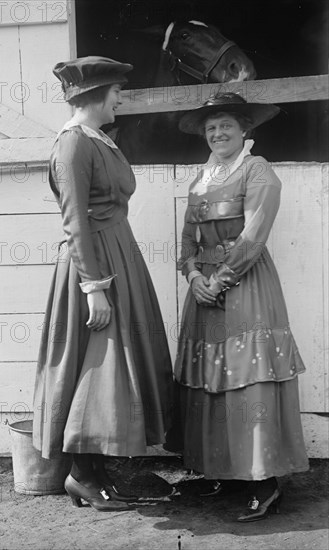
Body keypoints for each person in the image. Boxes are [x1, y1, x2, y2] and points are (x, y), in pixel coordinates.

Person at [32, 56, 173, 512]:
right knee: (92, 367)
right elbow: (75, 221)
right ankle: (82, 475)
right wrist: (93, 287)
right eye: (116, 92)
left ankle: (96, 472)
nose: (120, 99)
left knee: (111, 369)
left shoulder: (98, 140)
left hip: (118, 256)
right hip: (92, 266)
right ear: (97, 94)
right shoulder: (72, 144)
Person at [173, 92, 309, 522]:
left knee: (248, 379)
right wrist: (195, 278)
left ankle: (263, 481)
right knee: (211, 378)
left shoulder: (258, 170)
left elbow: (253, 235)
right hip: (205, 294)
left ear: (245, 129)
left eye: (226, 126)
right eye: (211, 128)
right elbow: (187, 241)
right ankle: (220, 470)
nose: (218, 134)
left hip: (245, 285)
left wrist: (219, 280)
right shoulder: (202, 179)